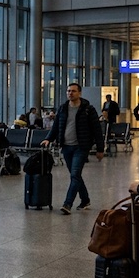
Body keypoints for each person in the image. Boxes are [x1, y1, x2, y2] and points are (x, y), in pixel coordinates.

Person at [40, 83, 104, 214]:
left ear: (79, 93)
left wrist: (100, 149)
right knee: (76, 175)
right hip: (66, 146)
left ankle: (67, 204)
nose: (70, 93)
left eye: (73, 91)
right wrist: (48, 138)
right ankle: (85, 199)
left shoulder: (88, 109)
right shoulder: (63, 108)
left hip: (81, 147)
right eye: (68, 91)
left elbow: (97, 130)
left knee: (75, 175)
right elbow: (56, 126)